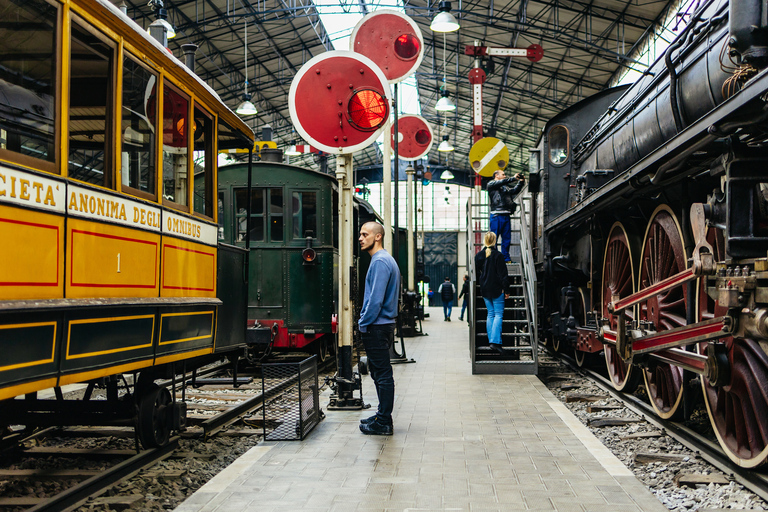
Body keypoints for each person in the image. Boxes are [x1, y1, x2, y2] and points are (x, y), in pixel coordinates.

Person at [357, 221, 400, 436]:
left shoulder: (380, 262)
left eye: (365, 234)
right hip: (381, 325)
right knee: (379, 372)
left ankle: (383, 421)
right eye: (361, 234)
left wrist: (363, 322)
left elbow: (375, 300)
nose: (361, 238)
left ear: (378, 237)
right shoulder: (382, 260)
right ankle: (382, 415)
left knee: (382, 374)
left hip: (377, 326)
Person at [474, 232, 509, 355]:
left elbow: (477, 274)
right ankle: (495, 342)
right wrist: (507, 289)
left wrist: (482, 282)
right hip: (496, 288)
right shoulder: (498, 256)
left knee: (490, 314)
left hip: (485, 289)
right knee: (498, 314)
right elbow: (503, 274)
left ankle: (491, 341)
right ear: (494, 241)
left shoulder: (478, 256)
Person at [487, 170, 525, 262]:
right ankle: (494, 258)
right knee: (494, 239)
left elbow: (514, 191)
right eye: (503, 174)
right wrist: (513, 178)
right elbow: (502, 182)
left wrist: (520, 182)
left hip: (506, 215)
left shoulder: (505, 188)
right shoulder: (491, 184)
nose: (504, 176)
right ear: (496, 175)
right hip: (496, 215)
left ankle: (506, 258)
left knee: (506, 239)